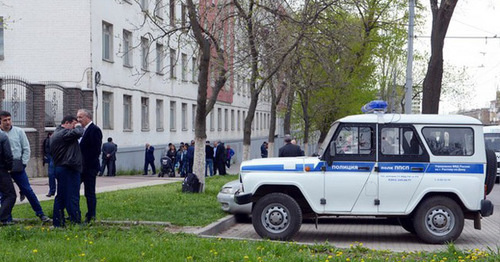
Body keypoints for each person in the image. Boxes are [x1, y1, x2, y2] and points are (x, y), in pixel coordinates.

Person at [0, 111, 50, 222]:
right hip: (3, 168)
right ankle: (6, 219)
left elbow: (26, 148)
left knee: (27, 190)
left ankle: (40, 213)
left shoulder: (19, 132)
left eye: (9, 119)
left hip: (17, 166)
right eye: (5, 120)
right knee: (5, 194)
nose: (8, 122)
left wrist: (23, 163)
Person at [50, 115, 84, 227]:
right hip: (67, 168)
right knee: (71, 196)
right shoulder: (63, 133)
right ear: (67, 123)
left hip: (64, 168)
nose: (76, 126)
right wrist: (79, 126)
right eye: (74, 124)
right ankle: (75, 221)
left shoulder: (59, 133)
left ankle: (59, 222)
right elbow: (79, 133)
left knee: (63, 196)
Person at [77, 109, 103, 224]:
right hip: (79, 167)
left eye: (80, 117)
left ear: (87, 117)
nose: (78, 120)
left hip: (89, 167)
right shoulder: (81, 130)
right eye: (77, 117)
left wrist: (86, 164)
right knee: (74, 190)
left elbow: (96, 150)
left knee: (89, 192)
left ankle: (91, 215)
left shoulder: (94, 130)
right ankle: (75, 214)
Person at [0, 130, 15, 226]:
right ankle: (3, 218)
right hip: (1, 170)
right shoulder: (3, 137)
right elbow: (8, 155)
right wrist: (9, 167)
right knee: (10, 195)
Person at [43, 132, 56, 197]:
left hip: (57, 158)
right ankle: (51, 191)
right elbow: (45, 149)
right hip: (52, 157)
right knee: (51, 175)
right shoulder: (47, 140)